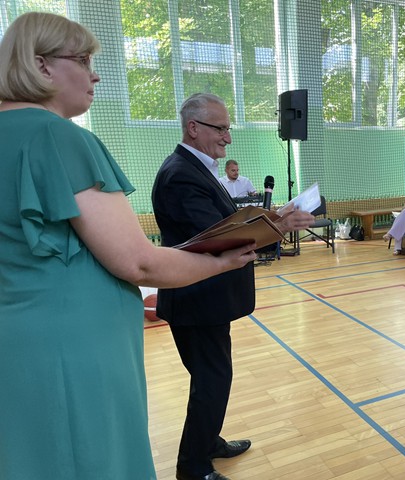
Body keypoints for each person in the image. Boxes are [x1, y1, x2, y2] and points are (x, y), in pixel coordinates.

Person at [0, 13, 259, 480]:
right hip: (72, 345)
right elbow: (139, 262)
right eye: (83, 60)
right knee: (90, 456)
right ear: (41, 65)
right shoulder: (56, 135)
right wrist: (223, 262)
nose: (95, 74)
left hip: (20, 336)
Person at [151, 93, 314, 480]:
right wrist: (280, 227)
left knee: (211, 378)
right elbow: (217, 240)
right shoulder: (181, 174)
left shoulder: (194, 167)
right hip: (196, 299)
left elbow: (225, 222)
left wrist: (275, 216)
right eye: (220, 128)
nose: (228, 137)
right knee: (212, 381)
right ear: (194, 128)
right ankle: (193, 467)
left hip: (203, 297)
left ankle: (207, 443)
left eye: (228, 128)